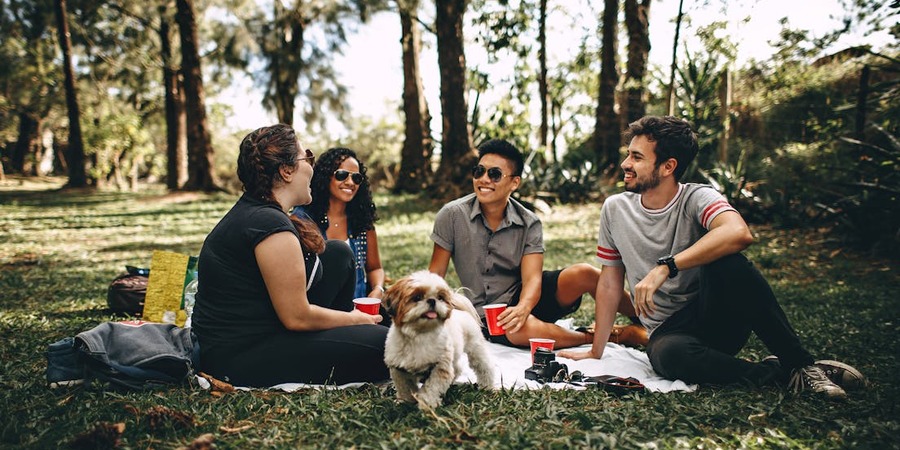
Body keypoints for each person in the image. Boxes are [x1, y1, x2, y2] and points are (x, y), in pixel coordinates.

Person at [559, 115, 865, 399]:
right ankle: (783, 374)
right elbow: (610, 283)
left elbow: (738, 233)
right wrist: (596, 351)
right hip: (669, 333)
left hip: (716, 316)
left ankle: (801, 363)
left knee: (730, 262)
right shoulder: (615, 209)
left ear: (668, 166)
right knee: (668, 356)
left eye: (637, 157)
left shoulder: (697, 197)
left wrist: (667, 266)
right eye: (629, 154)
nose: (626, 163)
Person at [191, 124, 389, 387]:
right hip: (241, 354)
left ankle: (351, 334)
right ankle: (355, 334)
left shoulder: (262, 213)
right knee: (388, 346)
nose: (312, 166)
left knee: (338, 253)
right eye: (307, 157)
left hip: (268, 327)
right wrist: (355, 319)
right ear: (286, 171)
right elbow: (297, 317)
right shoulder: (268, 225)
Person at [428, 138, 645, 349]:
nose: (484, 179)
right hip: (487, 314)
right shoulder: (452, 215)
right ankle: (613, 336)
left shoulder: (529, 222)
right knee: (518, 329)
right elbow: (435, 275)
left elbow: (532, 279)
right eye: (479, 171)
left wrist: (523, 307)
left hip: (527, 296)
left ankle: (646, 320)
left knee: (585, 273)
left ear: (514, 182)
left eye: (494, 174)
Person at [292, 147, 385, 300]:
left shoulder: (361, 221)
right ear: (325, 177)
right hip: (320, 311)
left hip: (359, 310)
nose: (350, 182)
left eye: (356, 178)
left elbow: (375, 268)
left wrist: (378, 290)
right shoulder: (303, 220)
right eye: (342, 175)